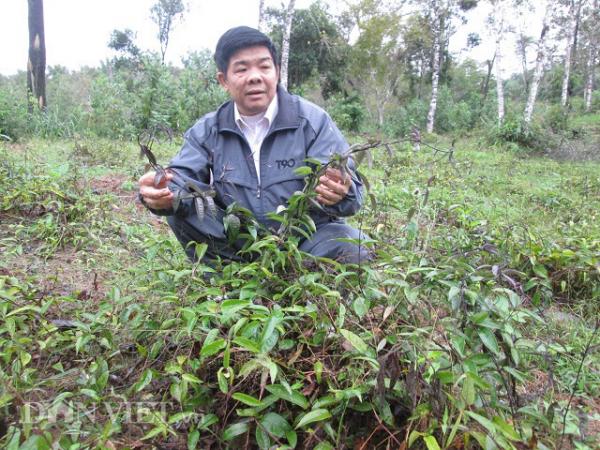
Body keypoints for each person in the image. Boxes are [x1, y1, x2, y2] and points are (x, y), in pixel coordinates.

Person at [138, 26, 370, 265]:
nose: (255, 76)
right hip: (237, 242)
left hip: (304, 242)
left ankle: (297, 279)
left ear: (277, 72)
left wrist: (341, 191)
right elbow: (181, 177)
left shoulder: (313, 121)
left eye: (264, 66)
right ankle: (227, 280)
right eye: (242, 69)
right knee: (181, 210)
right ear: (223, 80)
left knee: (354, 245)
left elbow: (350, 193)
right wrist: (160, 191)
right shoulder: (208, 129)